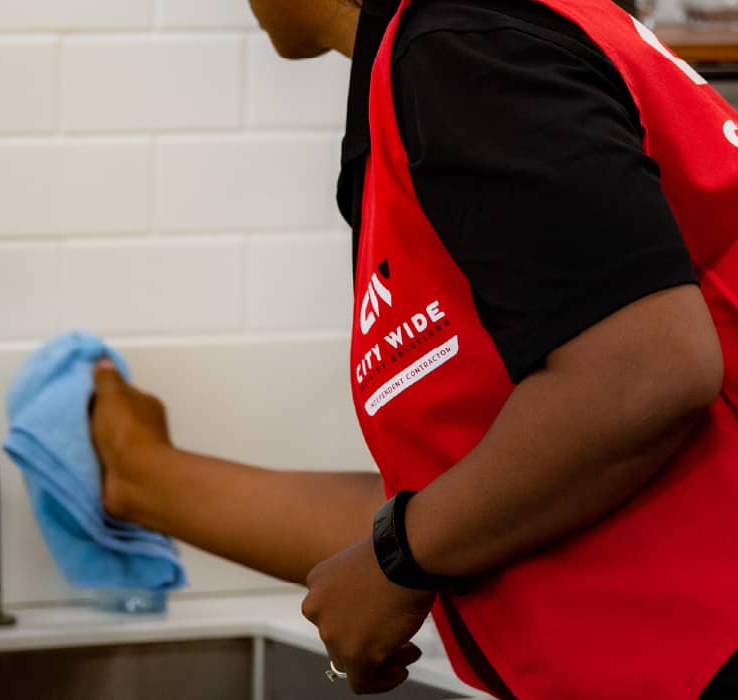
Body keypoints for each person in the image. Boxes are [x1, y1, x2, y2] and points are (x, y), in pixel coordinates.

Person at [90, 0, 738, 696]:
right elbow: (471, 490)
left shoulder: (459, 47)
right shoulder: (455, 58)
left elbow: (646, 371)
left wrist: (400, 560)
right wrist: (145, 478)